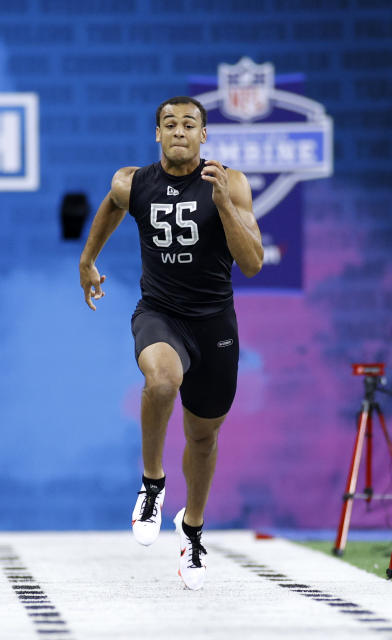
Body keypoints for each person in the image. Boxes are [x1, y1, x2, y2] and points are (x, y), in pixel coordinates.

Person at [78, 96, 263, 590]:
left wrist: (223, 202)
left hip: (215, 326)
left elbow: (253, 263)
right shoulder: (133, 181)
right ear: (157, 134)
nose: (179, 131)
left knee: (203, 438)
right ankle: (153, 483)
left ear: (204, 136)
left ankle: (193, 531)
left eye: (189, 124)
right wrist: (88, 259)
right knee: (161, 381)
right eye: (169, 124)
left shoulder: (231, 182)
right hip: (160, 314)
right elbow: (113, 206)